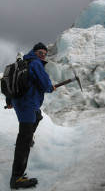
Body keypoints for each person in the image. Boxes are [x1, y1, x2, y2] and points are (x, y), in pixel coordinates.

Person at [6, 42, 56, 189]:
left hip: (22, 103)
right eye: (40, 52)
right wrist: (50, 88)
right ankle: (17, 178)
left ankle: (29, 138)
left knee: (38, 116)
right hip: (26, 104)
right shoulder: (35, 63)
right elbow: (45, 84)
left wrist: (10, 100)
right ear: (34, 52)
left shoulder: (23, 62)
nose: (43, 55)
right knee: (24, 138)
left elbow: (13, 82)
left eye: (45, 54)